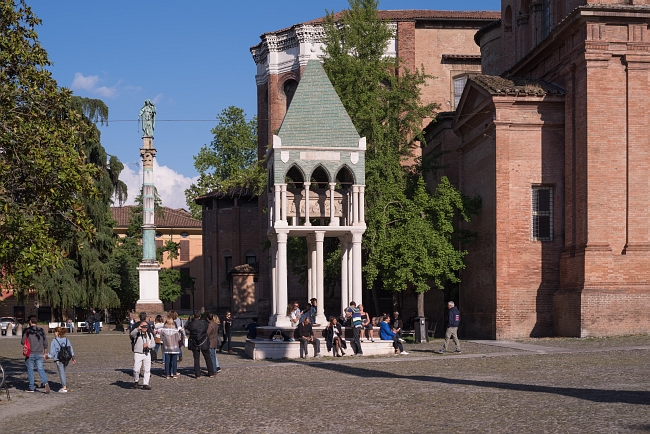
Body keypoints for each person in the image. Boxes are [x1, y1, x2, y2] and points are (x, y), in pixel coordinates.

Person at [21, 315, 50, 393]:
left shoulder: (27, 331)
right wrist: (45, 352)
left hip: (30, 353)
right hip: (39, 353)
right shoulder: (41, 330)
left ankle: (31, 387)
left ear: (30, 321)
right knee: (40, 369)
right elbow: (45, 342)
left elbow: (22, 341)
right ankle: (45, 383)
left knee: (30, 370)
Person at [185, 310, 215, 378]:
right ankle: (211, 372)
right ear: (200, 316)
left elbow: (186, 327)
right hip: (203, 341)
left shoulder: (191, 324)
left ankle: (197, 374)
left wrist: (189, 320)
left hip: (194, 342)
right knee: (207, 357)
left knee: (196, 358)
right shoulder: (204, 323)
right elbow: (206, 327)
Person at [47, 326, 76, 392]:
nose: (54, 333)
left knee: (61, 372)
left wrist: (47, 356)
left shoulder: (54, 341)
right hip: (66, 358)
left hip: (59, 358)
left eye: (54, 332)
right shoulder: (66, 339)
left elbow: (52, 352)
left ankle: (64, 387)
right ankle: (63, 384)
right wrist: (73, 358)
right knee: (63, 371)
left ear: (58, 332)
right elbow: (70, 349)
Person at [130, 320, 155, 389]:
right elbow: (132, 334)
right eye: (143, 326)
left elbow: (153, 344)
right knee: (136, 369)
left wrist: (148, 345)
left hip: (147, 353)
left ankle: (145, 384)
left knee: (147, 370)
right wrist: (138, 328)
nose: (144, 328)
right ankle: (136, 380)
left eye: (146, 326)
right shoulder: (137, 333)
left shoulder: (149, 335)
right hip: (138, 353)